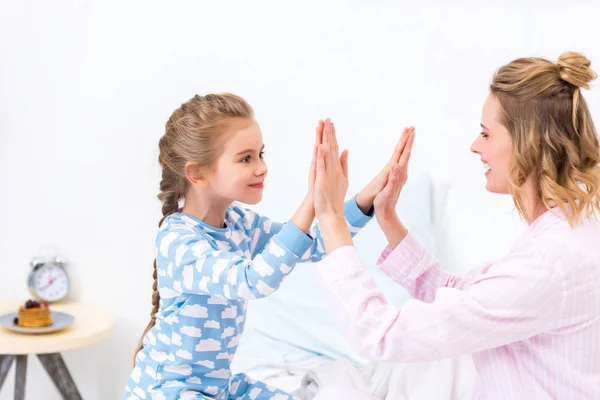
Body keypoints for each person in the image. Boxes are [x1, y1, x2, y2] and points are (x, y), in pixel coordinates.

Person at [311, 51, 600, 399]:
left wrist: (331, 220)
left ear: (531, 141)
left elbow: (383, 335)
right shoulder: (571, 232)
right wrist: (387, 216)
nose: (475, 146)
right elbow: (466, 297)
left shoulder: (549, 263)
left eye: (486, 134)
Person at [123, 93, 402, 400]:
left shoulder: (239, 223)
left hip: (217, 387)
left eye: (260, 154)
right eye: (246, 158)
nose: (262, 167)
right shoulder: (179, 242)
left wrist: (367, 198)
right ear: (197, 173)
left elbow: (311, 246)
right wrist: (313, 199)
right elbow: (254, 280)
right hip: (171, 394)